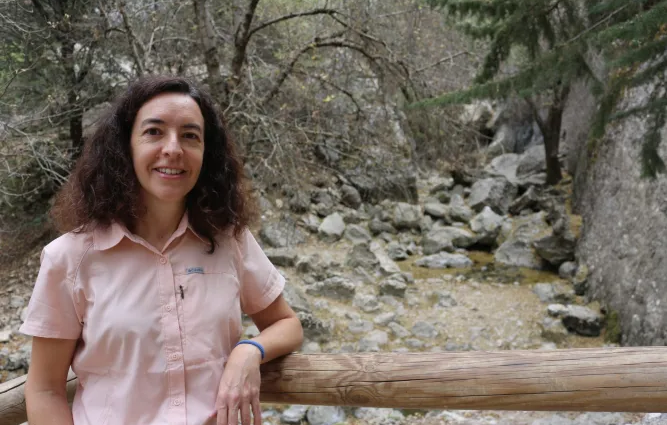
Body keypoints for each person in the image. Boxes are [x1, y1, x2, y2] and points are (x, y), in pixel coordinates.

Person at [19, 75, 304, 425]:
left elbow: (287, 324)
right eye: (154, 132)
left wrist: (250, 350)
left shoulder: (230, 240)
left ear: (207, 153)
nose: (173, 149)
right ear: (125, 146)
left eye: (190, 135)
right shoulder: (70, 258)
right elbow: (45, 389)